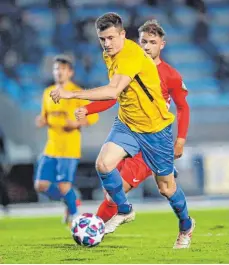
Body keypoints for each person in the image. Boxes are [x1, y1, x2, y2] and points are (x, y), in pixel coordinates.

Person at [50, 13, 195, 249]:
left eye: (110, 38)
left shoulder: (131, 56)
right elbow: (118, 95)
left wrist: (73, 94)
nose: (106, 44)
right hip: (127, 124)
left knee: (166, 188)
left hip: (155, 131)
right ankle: (125, 210)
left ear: (123, 35)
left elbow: (113, 90)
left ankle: (186, 225)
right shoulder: (111, 54)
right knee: (104, 164)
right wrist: (88, 108)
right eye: (102, 39)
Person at [35, 55, 99, 224]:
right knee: (40, 185)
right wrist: (41, 121)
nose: (59, 72)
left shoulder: (76, 93)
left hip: (69, 148)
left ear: (70, 72)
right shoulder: (47, 93)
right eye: (56, 69)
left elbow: (93, 116)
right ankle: (71, 198)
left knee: (64, 186)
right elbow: (45, 116)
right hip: (51, 147)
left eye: (63, 69)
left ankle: (75, 213)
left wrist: (78, 122)